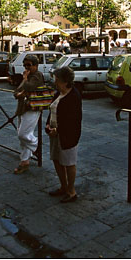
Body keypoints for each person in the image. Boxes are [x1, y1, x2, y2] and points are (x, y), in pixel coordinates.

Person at [45, 66, 82, 203]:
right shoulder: (58, 93)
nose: (55, 82)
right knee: (57, 159)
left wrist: (58, 130)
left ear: (66, 82)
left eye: (57, 80)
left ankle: (71, 191)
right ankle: (63, 186)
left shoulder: (74, 96)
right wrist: (48, 124)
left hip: (68, 135)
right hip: (55, 133)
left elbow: (72, 119)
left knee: (68, 162)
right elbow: (52, 110)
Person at [12, 55, 45, 174]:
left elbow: (29, 87)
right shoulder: (27, 75)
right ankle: (24, 161)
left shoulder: (37, 75)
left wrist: (25, 80)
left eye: (29, 65)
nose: (26, 67)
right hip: (22, 108)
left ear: (36, 66)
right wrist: (19, 93)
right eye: (25, 65)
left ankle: (35, 146)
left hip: (32, 109)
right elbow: (17, 91)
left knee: (23, 134)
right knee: (21, 135)